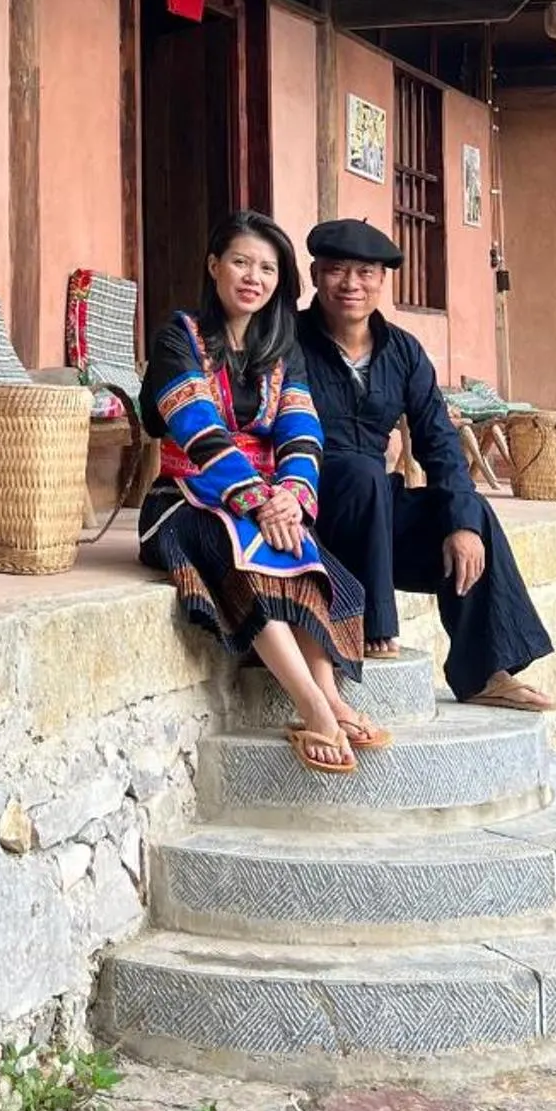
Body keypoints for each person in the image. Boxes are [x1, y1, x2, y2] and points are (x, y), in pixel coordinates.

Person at [138, 210, 385, 775]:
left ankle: (332, 695)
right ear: (214, 266)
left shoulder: (282, 347)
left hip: (266, 501)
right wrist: (255, 500)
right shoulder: (181, 335)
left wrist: (292, 496)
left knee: (299, 545)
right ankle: (312, 707)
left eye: (268, 268)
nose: (253, 277)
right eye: (242, 262)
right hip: (181, 498)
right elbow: (195, 426)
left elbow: (302, 427)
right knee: (247, 549)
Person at [296, 217, 556, 712]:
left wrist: (459, 523)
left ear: (381, 281)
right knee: (358, 470)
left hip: (371, 514)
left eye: (365, 273)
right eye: (336, 270)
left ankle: (486, 671)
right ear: (315, 276)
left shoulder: (403, 352)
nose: (351, 284)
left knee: (469, 511)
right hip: (307, 508)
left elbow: (438, 442)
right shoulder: (288, 340)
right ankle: (371, 622)